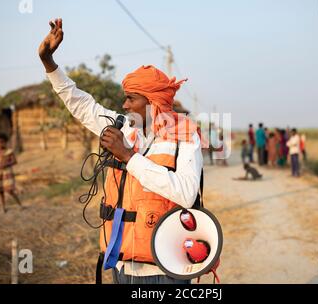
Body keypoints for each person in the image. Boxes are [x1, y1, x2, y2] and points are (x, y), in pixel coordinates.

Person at [38, 18, 202, 284]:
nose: (124, 104)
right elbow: (82, 105)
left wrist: (128, 157)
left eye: (131, 98)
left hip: (167, 268)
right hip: (122, 264)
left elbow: (185, 193)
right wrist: (48, 62)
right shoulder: (125, 128)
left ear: (153, 103)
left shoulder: (184, 137)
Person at [0, 133, 23, 213]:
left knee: (9, 190)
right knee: (0, 191)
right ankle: (3, 207)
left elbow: (14, 161)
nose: (0, 144)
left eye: (2, 142)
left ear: (5, 142)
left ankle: (20, 205)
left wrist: (6, 164)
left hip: (7, 173)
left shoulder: (9, 152)